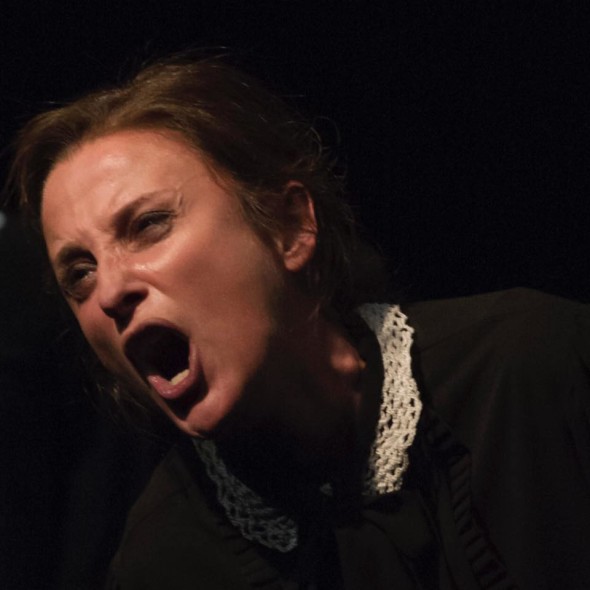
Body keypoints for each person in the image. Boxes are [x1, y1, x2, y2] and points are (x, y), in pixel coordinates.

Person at [10, 56, 590, 590]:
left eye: (149, 225)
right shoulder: (163, 561)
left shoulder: (531, 371)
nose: (110, 291)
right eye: (79, 273)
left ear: (289, 226)